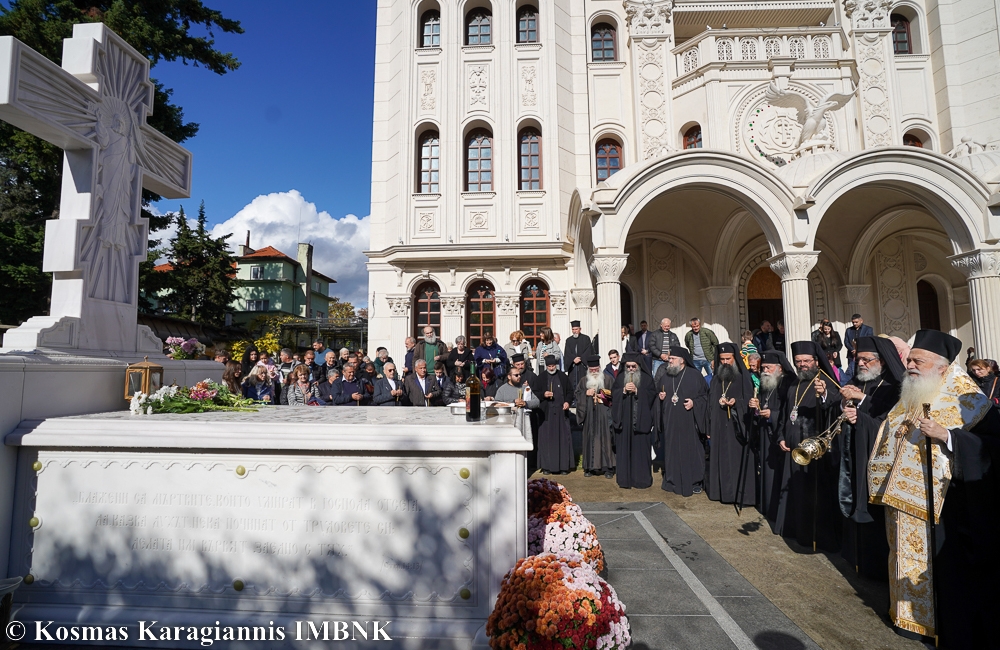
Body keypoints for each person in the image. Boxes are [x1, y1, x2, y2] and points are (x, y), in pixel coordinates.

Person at [846, 330, 1000, 646]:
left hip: (944, 502)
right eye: (911, 359)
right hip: (902, 497)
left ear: (942, 366)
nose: (910, 366)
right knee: (900, 556)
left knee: (938, 567)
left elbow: (992, 448)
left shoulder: (970, 399)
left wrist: (948, 436)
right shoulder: (913, 388)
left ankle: (938, 623)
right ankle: (906, 619)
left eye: (918, 361)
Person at [835, 335, 904, 581]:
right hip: (854, 454)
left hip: (877, 462)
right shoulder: (857, 380)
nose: (860, 363)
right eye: (858, 358)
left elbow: (890, 422)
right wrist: (844, 404)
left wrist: (861, 402)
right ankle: (854, 559)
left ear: (882, 362)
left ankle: (874, 567)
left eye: (866, 359)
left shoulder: (894, 386)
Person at [772, 340, 842, 552]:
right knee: (795, 492)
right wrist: (782, 436)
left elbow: (835, 410)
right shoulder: (795, 383)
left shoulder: (826, 382)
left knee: (813, 495)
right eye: (798, 361)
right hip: (792, 446)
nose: (802, 365)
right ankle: (795, 530)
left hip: (815, 451)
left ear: (816, 361)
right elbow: (786, 412)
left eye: (806, 361)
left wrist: (823, 397)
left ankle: (815, 537)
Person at [705, 343, 756, 506]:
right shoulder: (716, 380)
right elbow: (710, 404)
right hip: (719, 426)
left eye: (728, 358)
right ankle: (723, 493)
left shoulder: (743, 377)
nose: (725, 362)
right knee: (722, 459)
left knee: (736, 460)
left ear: (735, 358)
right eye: (722, 359)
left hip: (737, 427)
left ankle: (739, 494)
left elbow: (750, 401)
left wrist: (736, 403)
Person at [655, 348, 709, 496]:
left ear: (682, 360)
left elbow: (705, 398)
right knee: (672, 451)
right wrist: (660, 397)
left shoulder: (695, 376)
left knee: (692, 450)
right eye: (669, 358)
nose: (669, 360)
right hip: (671, 423)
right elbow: (657, 393)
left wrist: (694, 403)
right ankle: (673, 480)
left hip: (690, 423)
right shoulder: (665, 376)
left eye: (672, 358)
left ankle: (695, 481)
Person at [751, 351, 795, 523]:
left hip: (779, 434)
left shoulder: (788, 383)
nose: (765, 371)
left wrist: (773, 415)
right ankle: (767, 505)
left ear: (780, 368)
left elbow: (789, 410)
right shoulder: (765, 383)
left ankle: (776, 508)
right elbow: (763, 402)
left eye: (768, 367)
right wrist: (756, 406)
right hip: (764, 432)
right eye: (763, 368)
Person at [611, 352, 657, 489]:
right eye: (628, 366)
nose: (631, 369)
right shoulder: (620, 379)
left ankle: (641, 480)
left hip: (640, 422)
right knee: (624, 451)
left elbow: (651, 395)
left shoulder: (647, 379)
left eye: (633, 366)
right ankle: (625, 480)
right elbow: (614, 394)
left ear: (639, 365)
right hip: (624, 423)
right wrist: (623, 391)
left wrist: (638, 391)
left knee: (640, 452)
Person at [575, 355, 616, 479]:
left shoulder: (608, 379)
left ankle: (608, 468)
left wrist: (603, 397)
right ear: (588, 369)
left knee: (606, 440)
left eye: (596, 369)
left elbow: (615, 395)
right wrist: (585, 393)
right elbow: (577, 395)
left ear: (599, 368)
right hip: (589, 415)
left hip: (604, 414)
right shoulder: (583, 381)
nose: (594, 372)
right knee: (590, 439)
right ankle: (589, 468)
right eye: (591, 370)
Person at [534, 355, 574, 475]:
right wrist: (543, 395)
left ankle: (563, 467)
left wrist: (567, 402)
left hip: (561, 413)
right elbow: (535, 392)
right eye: (549, 366)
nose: (551, 368)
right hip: (547, 413)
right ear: (546, 366)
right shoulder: (540, 378)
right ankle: (546, 467)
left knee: (562, 439)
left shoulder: (563, 377)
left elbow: (570, 392)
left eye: (553, 366)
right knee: (547, 440)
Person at [495, 365, 539, 442]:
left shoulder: (525, 388)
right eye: (516, 375)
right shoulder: (502, 390)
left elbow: (537, 402)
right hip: (508, 424)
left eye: (520, 375)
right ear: (509, 377)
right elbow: (497, 404)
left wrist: (525, 403)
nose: (519, 376)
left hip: (523, 423)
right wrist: (513, 403)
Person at [685, 318, 719, 384]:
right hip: (695, 360)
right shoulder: (689, 335)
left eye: (697, 326)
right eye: (694, 327)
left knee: (713, 377)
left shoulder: (707, 332)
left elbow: (716, 344)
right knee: (695, 379)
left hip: (708, 359)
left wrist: (713, 358)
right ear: (691, 326)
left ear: (700, 325)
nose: (696, 328)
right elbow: (687, 344)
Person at [563, 320, 593, 393]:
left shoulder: (586, 338)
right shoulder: (568, 340)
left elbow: (588, 351)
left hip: (582, 366)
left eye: (576, 329)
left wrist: (581, 358)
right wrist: (573, 359)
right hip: (573, 366)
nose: (574, 331)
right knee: (572, 383)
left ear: (580, 329)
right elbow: (567, 353)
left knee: (583, 382)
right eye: (573, 329)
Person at [843, 314, 874, 381]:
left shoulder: (868, 329)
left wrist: (858, 350)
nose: (854, 324)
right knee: (852, 372)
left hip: (863, 355)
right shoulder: (848, 330)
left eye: (856, 322)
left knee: (863, 371)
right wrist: (853, 349)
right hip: (852, 355)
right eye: (853, 322)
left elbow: (868, 341)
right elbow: (846, 342)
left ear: (861, 321)